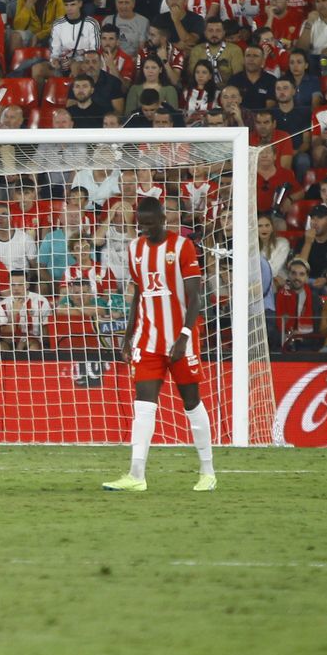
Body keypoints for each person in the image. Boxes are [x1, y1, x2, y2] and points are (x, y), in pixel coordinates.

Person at [104, 196, 216, 494]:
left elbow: (195, 298)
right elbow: (138, 295)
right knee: (143, 405)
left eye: (151, 224)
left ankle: (207, 471)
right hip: (148, 339)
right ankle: (136, 474)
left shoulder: (182, 247)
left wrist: (184, 336)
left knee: (191, 403)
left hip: (180, 341)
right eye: (141, 225)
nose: (146, 230)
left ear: (163, 219)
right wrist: (128, 335)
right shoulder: (135, 249)